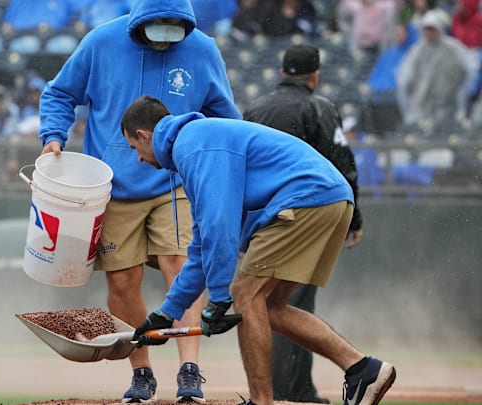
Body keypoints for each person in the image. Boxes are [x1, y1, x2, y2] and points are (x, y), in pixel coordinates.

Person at [123, 94, 396, 405]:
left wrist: (220, 297)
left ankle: (261, 401)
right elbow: (201, 247)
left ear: (143, 136)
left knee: (246, 295)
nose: (139, 159)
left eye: (134, 148)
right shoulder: (196, 143)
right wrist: (166, 312)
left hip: (306, 199)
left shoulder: (195, 145)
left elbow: (219, 228)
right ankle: (363, 369)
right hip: (329, 199)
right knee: (270, 307)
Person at [37, 0, 242, 402]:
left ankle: (189, 370)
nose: (166, 36)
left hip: (176, 180)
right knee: (123, 279)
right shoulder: (100, 42)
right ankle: (142, 370)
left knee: (180, 267)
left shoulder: (203, 49)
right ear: (138, 22)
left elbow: (225, 116)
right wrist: (53, 137)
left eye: (174, 27)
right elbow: (59, 93)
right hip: (113, 184)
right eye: (157, 27)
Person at [242, 44, 364, 404]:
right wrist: (354, 219)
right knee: (292, 303)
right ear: (315, 75)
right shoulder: (321, 107)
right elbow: (342, 164)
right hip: (302, 214)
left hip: (261, 215)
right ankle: (293, 389)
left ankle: (275, 388)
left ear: (281, 71)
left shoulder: (256, 108)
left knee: (258, 300)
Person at [396, 11, 479, 129]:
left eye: (432, 29)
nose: (429, 33)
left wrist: (460, 90)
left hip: (448, 105)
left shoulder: (452, 48)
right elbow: (405, 75)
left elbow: (470, 68)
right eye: (426, 29)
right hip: (423, 106)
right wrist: (409, 92)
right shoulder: (418, 50)